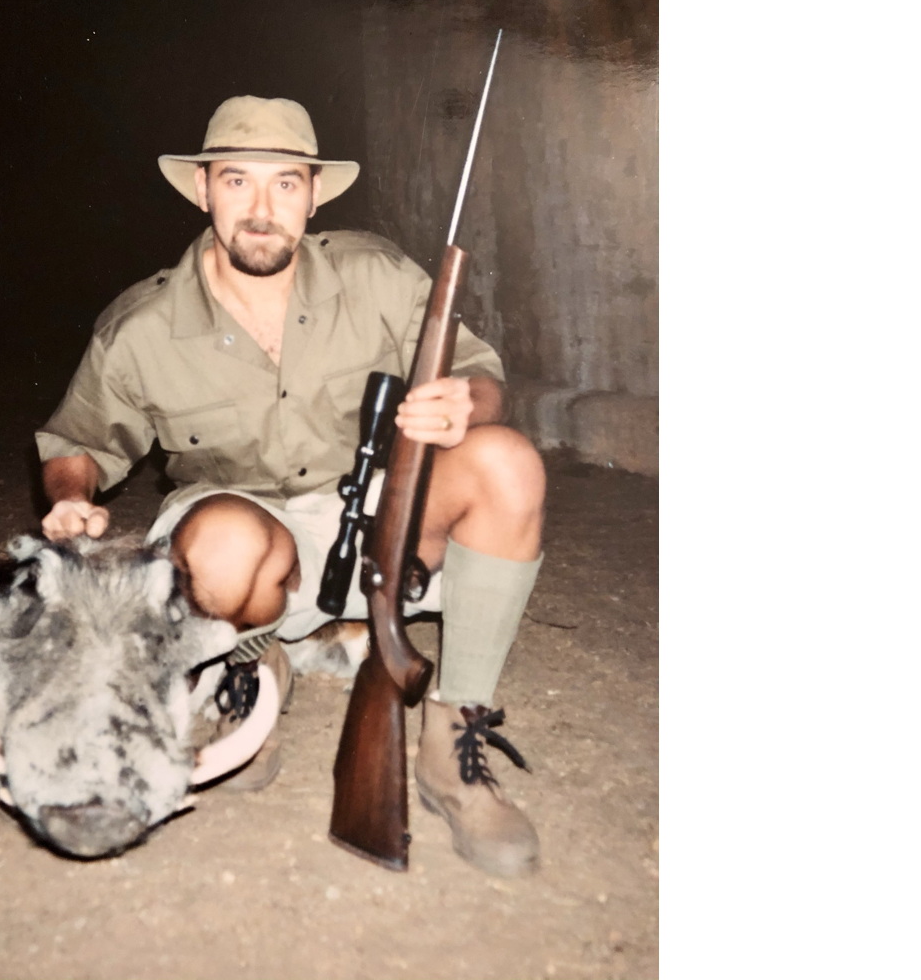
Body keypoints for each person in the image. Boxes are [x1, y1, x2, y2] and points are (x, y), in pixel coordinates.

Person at [35, 95, 546, 877]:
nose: (262, 209)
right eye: (238, 182)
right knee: (226, 542)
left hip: (376, 511)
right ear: (203, 190)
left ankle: (452, 741)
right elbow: (77, 442)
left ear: (314, 195)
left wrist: (463, 404)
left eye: (285, 184)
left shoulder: (374, 274)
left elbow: (479, 372)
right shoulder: (139, 325)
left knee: (506, 461)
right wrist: (72, 494)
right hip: (244, 529)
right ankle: (251, 660)